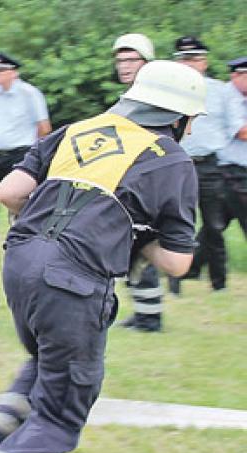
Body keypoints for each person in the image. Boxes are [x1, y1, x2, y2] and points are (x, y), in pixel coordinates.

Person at [0, 60, 204, 453]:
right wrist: (141, 237)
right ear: (179, 118)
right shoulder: (171, 158)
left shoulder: (80, 129)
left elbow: (10, 192)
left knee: (49, 365)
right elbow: (178, 262)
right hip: (73, 282)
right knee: (61, 416)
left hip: (21, 265)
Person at [174, 37, 247, 291]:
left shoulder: (220, 91)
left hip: (211, 165)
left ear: (204, 62)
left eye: (194, 59)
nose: (189, 64)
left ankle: (219, 283)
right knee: (174, 222)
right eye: (184, 59)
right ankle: (175, 281)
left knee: (214, 226)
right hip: (179, 163)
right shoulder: (168, 91)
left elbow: (234, 127)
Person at [111, 33, 171, 331]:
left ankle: (150, 318)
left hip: (150, 183)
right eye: (120, 60)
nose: (124, 66)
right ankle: (145, 312)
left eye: (131, 60)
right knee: (133, 250)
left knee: (141, 245)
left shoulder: (152, 99)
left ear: (147, 63)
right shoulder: (129, 99)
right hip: (130, 183)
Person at [0, 51, 51, 267]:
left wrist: (36, 157)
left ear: (12, 72)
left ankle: (27, 253)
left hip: (20, 154)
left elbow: (44, 128)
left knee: (19, 206)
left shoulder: (29, 94)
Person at [214, 57, 247, 239]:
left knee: (216, 224)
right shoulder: (230, 97)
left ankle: (190, 265)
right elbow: (241, 132)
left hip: (237, 172)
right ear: (237, 75)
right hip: (233, 172)